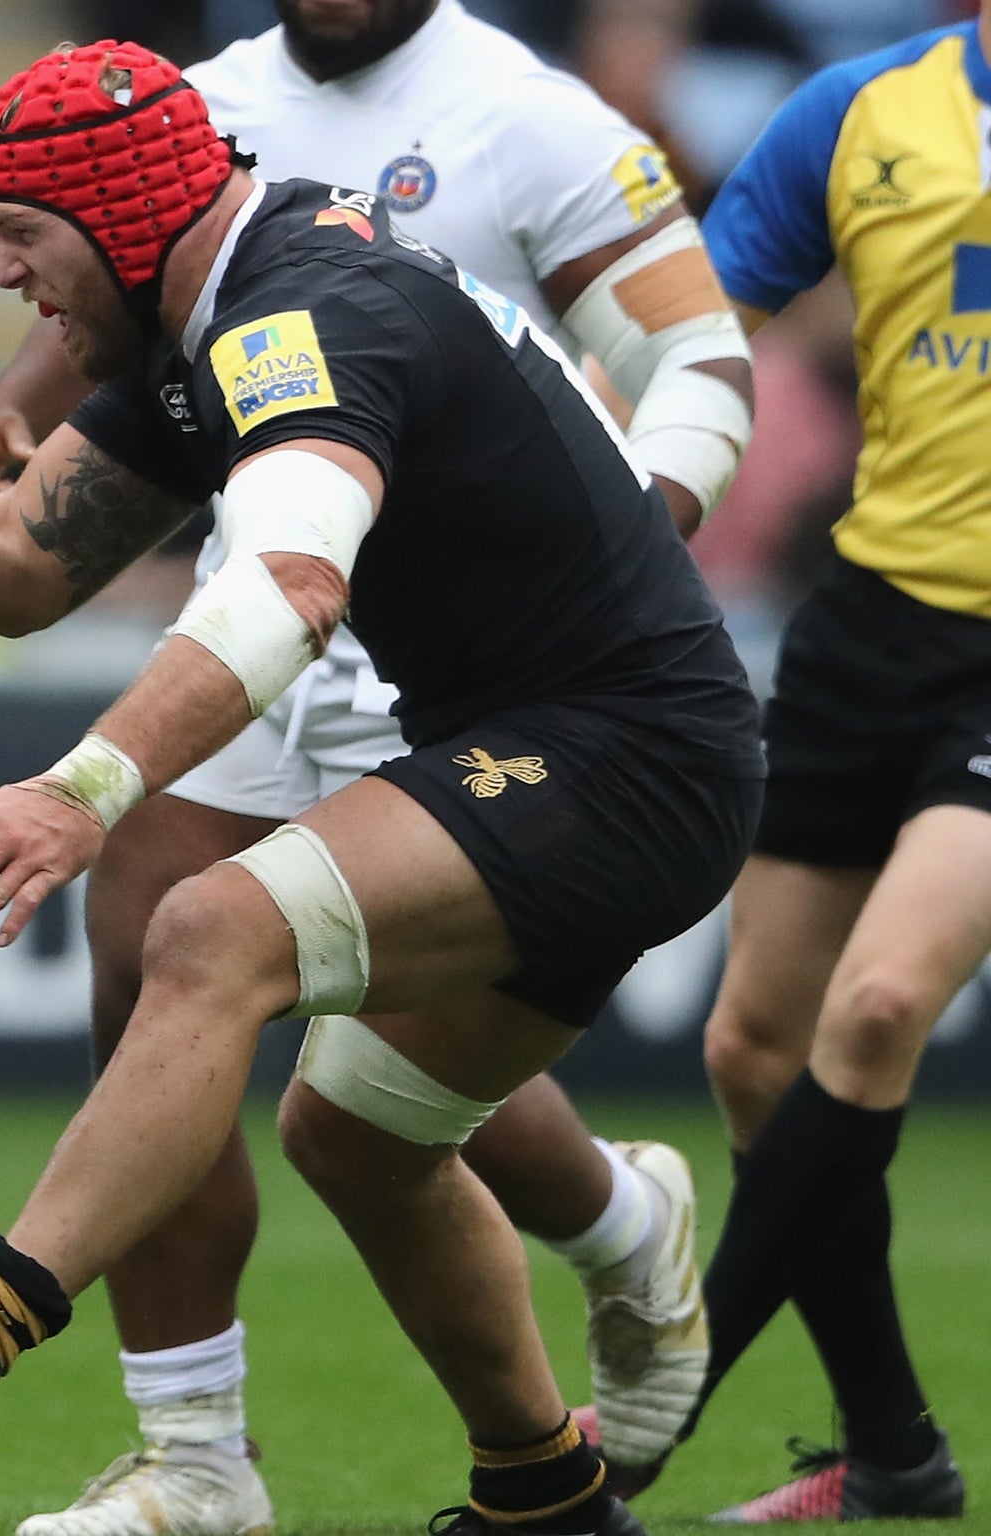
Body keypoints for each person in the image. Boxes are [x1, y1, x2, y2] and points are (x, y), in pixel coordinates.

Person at [0, 39, 762, 1536]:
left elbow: (288, 586)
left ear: (115, 218)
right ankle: (548, 1492)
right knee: (354, 1132)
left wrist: (80, 787)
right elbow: (25, 560)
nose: (12, 286)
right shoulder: (216, 306)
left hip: (619, 753)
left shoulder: (300, 315)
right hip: (610, 748)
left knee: (213, 932)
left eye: (24, 243)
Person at [648, 11, 991, 1522]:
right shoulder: (858, 112)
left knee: (878, 1005)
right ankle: (895, 1454)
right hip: (870, 624)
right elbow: (698, 332)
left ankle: (654, 1409)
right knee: (752, 1049)